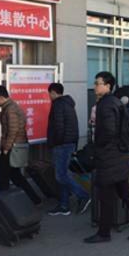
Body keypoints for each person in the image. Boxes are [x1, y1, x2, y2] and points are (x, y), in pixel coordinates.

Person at [84, 72, 129, 243]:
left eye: (98, 83)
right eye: (95, 83)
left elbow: (109, 131)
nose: (95, 86)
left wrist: (97, 146)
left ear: (108, 86)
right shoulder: (115, 101)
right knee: (125, 193)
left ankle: (104, 233)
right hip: (119, 155)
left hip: (109, 156)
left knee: (107, 195)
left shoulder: (105, 105)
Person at [46, 83, 90, 216]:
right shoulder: (68, 104)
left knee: (61, 175)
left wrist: (56, 142)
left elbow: (58, 127)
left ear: (53, 92)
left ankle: (83, 195)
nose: (49, 96)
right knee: (63, 174)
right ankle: (64, 205)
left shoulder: (58, 105)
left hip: (62, 145)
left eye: (49, 94)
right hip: (69, 143)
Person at [0, 85, 40, 205]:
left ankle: (3, 204)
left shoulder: (10, 109)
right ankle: (35, 199)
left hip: (12, 147)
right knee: (15, 175)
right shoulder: (11, 107)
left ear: (0, 97)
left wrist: (6, 148)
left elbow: (13, 130)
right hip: (14, 145)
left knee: (2, 176)